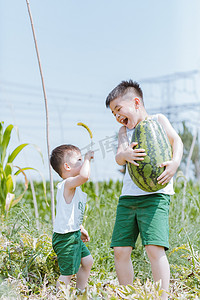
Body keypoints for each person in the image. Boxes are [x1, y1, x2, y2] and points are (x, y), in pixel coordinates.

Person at [105, 80, 183, 300]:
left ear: (136, 102)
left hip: (156, 195)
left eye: (119, 109)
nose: (117, 116)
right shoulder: (123, 131)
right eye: (113, 113)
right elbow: (119, 155)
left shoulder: (158, 120)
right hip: (128, 197)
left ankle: (162, 296)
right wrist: (125, 156)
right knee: (120, 249)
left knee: (153, 249)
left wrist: (175, 163)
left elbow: (176, 141)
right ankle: (127, 294)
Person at [50, 144, 94, 293]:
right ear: (67, 166)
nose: (83, 163)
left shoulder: (75, 188)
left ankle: (80, 291)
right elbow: (85, 176)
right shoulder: (68, 184)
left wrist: (80, 228)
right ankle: (60, 296)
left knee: (87, 262)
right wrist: (88, 159)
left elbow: (69, 213)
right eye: (79, 160)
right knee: (68, 273)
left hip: (73, 234)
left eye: (83, 159)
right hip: (65, 238)